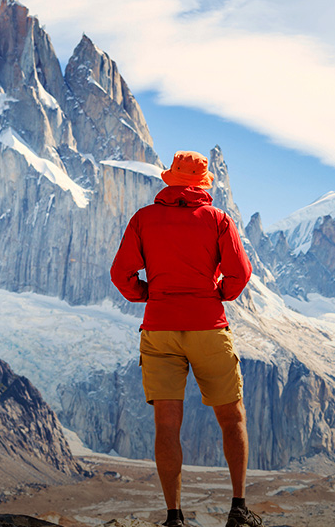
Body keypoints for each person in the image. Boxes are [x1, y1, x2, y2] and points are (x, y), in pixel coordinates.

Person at [110, 150, 264, 527]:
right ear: (201, 183)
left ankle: (174, 517)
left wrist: (147, 293)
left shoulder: (143, 219)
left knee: (166, 424)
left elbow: (121, 274)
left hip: (159, 328)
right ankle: (239, 509)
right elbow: (240, 274)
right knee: (232, 418)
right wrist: (217, 295)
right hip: (208, 327)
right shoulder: (217, 220)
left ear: (170, 180)